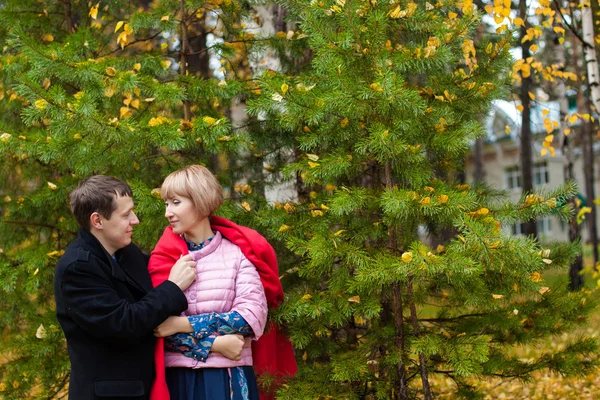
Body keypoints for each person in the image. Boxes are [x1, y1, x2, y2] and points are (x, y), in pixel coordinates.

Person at [148, 165, 297, 400]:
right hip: (179, 381)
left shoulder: (238, 255)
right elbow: (157, 328)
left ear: (200, 201)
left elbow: (249, 319)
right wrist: (216, 345)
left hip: (229, 377)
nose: (168, 212)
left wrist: (181, 325)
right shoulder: (164, 259)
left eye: (176, 203)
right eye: (166, 204)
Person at [54, 175, 197, 400]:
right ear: (97, 221)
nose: (135, 220)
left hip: (147, 387)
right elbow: (123, 323)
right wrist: (174, 286)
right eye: (125, 215)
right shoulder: (78, 268)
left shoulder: (125, 251)